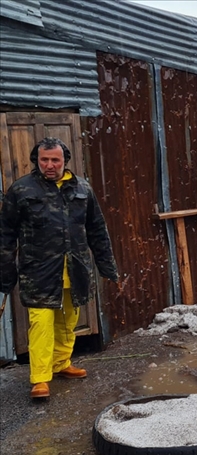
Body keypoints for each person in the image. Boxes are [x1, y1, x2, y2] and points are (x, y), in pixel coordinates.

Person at [0, 137, 118, 399]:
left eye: (55, 160)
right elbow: (6, 234)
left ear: (65, 160)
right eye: (45, 160)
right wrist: (5, 274)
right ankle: (40, 378)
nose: (50, 165)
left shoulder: (82, 189)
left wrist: (107, 266)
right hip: (38, 270)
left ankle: (61, 363)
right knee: (41, 323)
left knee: (69, 319)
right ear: (36, 160)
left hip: (74, 268)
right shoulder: (21, 190)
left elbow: (97, 230)